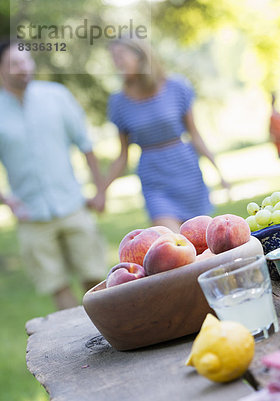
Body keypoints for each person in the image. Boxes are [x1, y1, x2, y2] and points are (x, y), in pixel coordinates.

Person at [0, 40, 108, 310]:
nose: (24, 68)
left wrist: (100, 191)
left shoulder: (56, 95)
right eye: (15, 63)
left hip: (73, 205)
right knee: (56, 285)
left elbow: (85, 144)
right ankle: (78, 343)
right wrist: (7, 200)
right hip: (32, 215)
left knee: (96, 278)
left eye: (26, 61)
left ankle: (111, 331)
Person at [102, 39, 229, 233]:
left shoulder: (176, 87)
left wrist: (219, 171)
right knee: (169, 240)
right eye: (113, 58)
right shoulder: (118, 102)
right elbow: (122, 156)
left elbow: (194, 134)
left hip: (185, 169)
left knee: (201, 240)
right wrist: (102, 191)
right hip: (153, 177)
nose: (116, 62)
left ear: (140, 56)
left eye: (120, 56)